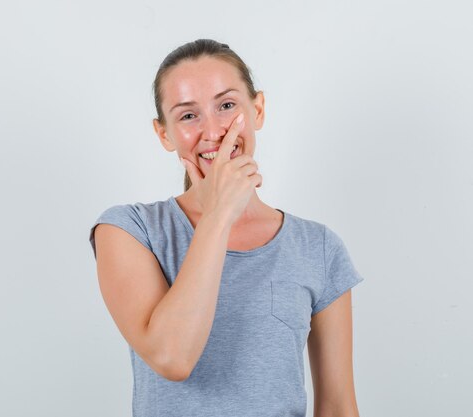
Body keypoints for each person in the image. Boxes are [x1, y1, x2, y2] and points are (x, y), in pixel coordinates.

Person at [89, 39, 364, 417]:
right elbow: (172, 357)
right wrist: (219, 215)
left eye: (227, 105)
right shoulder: (129, 231)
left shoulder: (318, 247)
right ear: (164, 134)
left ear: (258, 109)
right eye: (188, 116)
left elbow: (337, 407)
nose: (214, 130)